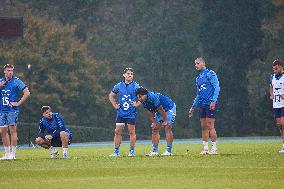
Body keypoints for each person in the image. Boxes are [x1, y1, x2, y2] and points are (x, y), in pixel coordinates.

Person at [188, 57, 220, 155]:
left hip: (210, 104)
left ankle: (214, 149)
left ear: (203, 63)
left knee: (210, 126)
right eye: (195, 64)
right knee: (203, 127)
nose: (196, 65)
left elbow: (217, 88)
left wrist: (213, 101)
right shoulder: (198, 78)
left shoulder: (210, 74)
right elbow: (198, 94)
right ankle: (205, 149)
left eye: (197, 63)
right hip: (202, 105)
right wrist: (193, 107)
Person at [0, 64, 30, 160]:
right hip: (2, 110)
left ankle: (13, 154)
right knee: (3, 132)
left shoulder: (16, 81)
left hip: (12, 110)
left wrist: (18, 103)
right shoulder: (1, 81)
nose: (10, 72)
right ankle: (7, 154)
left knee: (12, 130)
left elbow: (27, 93)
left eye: (11, 70)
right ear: (4, 71)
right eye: (8, 70)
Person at [108, 68, 141, 157]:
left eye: (131, 74)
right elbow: (111, 95)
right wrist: (115, 105)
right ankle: (116, 151)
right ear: (124, 75)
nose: (130, 75)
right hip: (121, 113)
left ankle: (131, 152)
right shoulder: (118, 86)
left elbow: (144, 96)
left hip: (131, 113)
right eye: (128, 73)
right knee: (117, 132)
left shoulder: (136, 86)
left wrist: (137, 104)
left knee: (131, 133)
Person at [136, 87, 176, 156]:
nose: (139, 99)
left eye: (140, 96)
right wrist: (153, 122)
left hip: (169, 108)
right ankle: (154, 151)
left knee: (167, 127)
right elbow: (150, 111)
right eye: (138, 97)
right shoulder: (143, 101)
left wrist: (165, 120)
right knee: (155, 129)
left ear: (145, 94)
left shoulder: (152, 97)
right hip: (159, 110)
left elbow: (160, 109)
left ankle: (168, 151)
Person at [269, 59, 284, 153]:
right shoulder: (272, 76)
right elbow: (271, 86)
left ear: (281, 67)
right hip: (276, 104)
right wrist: (271, 94)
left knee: (283, 123)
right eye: (274, 69)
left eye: (276, 68)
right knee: (280, 126)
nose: (275, 71)